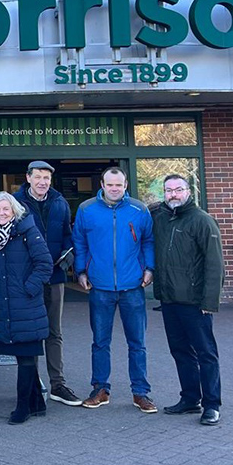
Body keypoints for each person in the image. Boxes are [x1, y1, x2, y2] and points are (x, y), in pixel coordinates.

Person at [72, 167, 157, 413]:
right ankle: (100, 390)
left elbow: (148, 241)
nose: (114, 189)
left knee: (137, 343)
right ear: (102, 184)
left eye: (119, 185)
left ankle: (140, 393)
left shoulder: (139, 210)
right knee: (100, 342)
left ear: (125, 184)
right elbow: (79, 241)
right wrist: (81, 271)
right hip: (100, 286)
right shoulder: (87, 210)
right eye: (110, 184)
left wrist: (150, 268)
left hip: (133, 286)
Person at [153, 175, 224, 426]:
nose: (173, 194)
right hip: (170, 301)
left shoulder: (202, 221)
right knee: (180, 352)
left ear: (188, 191)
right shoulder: (161, 219)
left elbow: (215, 265)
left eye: (178, 189)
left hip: (196, 302)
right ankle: (190, 398)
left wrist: (209, 302)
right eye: (169, 190)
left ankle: (212, 404)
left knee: (206, 354)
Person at [0, 192, 53, 424]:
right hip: (5, 303)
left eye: (5, 209)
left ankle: (23, 408)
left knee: (26, 356)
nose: (1, 213)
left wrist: (28, 288)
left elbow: (45, 264)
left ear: (14, 211)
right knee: (23, 355)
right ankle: (37, 403)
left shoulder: (27, 231)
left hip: (26, 304)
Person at [13, 160, 81, 407]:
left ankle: (58, 385)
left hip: (54, 277)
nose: (43, 182)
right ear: (28, 177)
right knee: (31, 332)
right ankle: (32, 383)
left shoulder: (60, 203)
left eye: (47, 178)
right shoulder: (14, 204)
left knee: (54, 332)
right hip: (27, 280)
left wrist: (66, 258)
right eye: (39, 177)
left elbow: (67, 235)